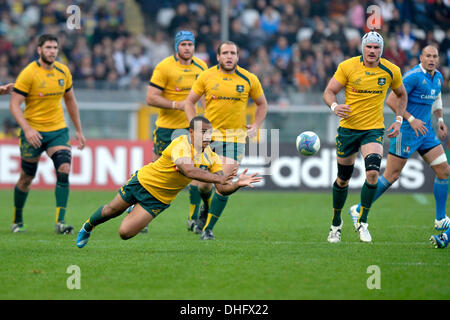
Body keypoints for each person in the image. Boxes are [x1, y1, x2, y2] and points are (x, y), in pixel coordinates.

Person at [76, 116, 261, 248]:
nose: (207, 137)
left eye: (209, 133)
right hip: (142, 181)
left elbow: (222, 188)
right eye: (202, 132)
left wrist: (236, 184)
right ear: (191, 132)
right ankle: (87, 227)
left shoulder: (211, 156)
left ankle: (134, 209)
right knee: (111, 210)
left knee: (125, 234)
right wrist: (219, 178)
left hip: (160, 199)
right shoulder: (180, 144)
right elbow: (187, 170)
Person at [350, 45, 450, 233]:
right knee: (391, 176)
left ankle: (440, 219)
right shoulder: (412, 77)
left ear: (438, 59)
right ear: (421, 58)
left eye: (434, 56)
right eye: (427, 56)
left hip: (426, 132)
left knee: (444, 171)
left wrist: (440, 120)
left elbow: (436, 99)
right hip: (406, 131)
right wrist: (411, 120)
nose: (431, 59)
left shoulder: (438, 77)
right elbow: (392, 101)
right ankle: (358, 209)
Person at [323, 31, 407, 243]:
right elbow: (329, 91)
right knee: (343, 179)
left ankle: (363, 222)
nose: (372, 51)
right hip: (348, 130)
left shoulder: (391, 70)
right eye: (369, 47)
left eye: (376, 48)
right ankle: (336, 223)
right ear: (363, 47)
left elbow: (402, 95)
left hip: (373, 130)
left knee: (372, 174)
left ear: (381, 50)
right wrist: (334, 106)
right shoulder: (347, 66)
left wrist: (399, 120)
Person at [184, 41, 268, 240]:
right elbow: (189, 101)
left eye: (233, 53)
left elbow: (262, 104)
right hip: (207, 138)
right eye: (225, 53)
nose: (229, 56)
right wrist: (193, 126)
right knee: (203, 186)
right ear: (218, 57)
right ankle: (205, 207)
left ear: (238, 57)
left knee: (222, 186)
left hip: (234, 139)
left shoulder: (249, 79)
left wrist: (255, 124)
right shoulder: (206, 76)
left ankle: (208, 229)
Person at [9, 34, 86, 234]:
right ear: (39, 50)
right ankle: (17, 220)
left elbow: (70, 100)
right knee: (27, 177)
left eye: (54, 47)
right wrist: (27, 129)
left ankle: (60, 222)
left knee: (64, 167)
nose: (52, 51)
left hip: (57, 130)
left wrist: (78, 129)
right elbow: (14, 104)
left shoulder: (63, 71)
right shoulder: (29, 73)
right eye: (48, 47)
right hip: (32, 131)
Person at [145, 30, 208, 234]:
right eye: (183, 44)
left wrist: (207, 118)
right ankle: (139, 216)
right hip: (166, 129)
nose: (187, 48)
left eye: (190, 44)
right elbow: (151, 97)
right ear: (176, 47)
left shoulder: (202, 67)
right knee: (155, 175)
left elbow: (205, 97)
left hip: (191, 131)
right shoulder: (164, 67)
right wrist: (176, 104)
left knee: (197, 175)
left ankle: (192, 219)